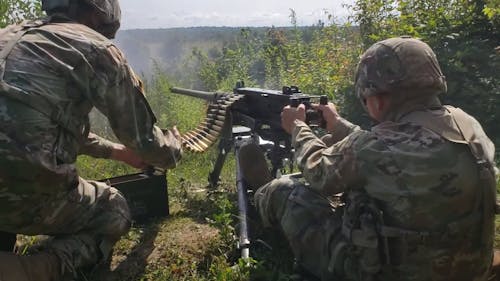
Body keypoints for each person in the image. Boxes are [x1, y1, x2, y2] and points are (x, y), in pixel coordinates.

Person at [241, 37, 497, 281]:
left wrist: (298, 127)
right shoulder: (468, 126)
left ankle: (262, 193)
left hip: (391, 274)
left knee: (287, 190)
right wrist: (339, 125)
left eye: (366, 98)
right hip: (469, 269)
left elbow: (318, 172)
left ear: (379, 97)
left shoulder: (374, 147)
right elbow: (391, 147)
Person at [0, 0, 182, 280]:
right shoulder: (96, 48)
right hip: (24, 198)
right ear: (99, 10)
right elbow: (145, 141)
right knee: (116, 209)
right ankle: (35, 269)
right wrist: (173, 149)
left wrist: (117, 153)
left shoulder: (8, 36)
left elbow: (36, 125)